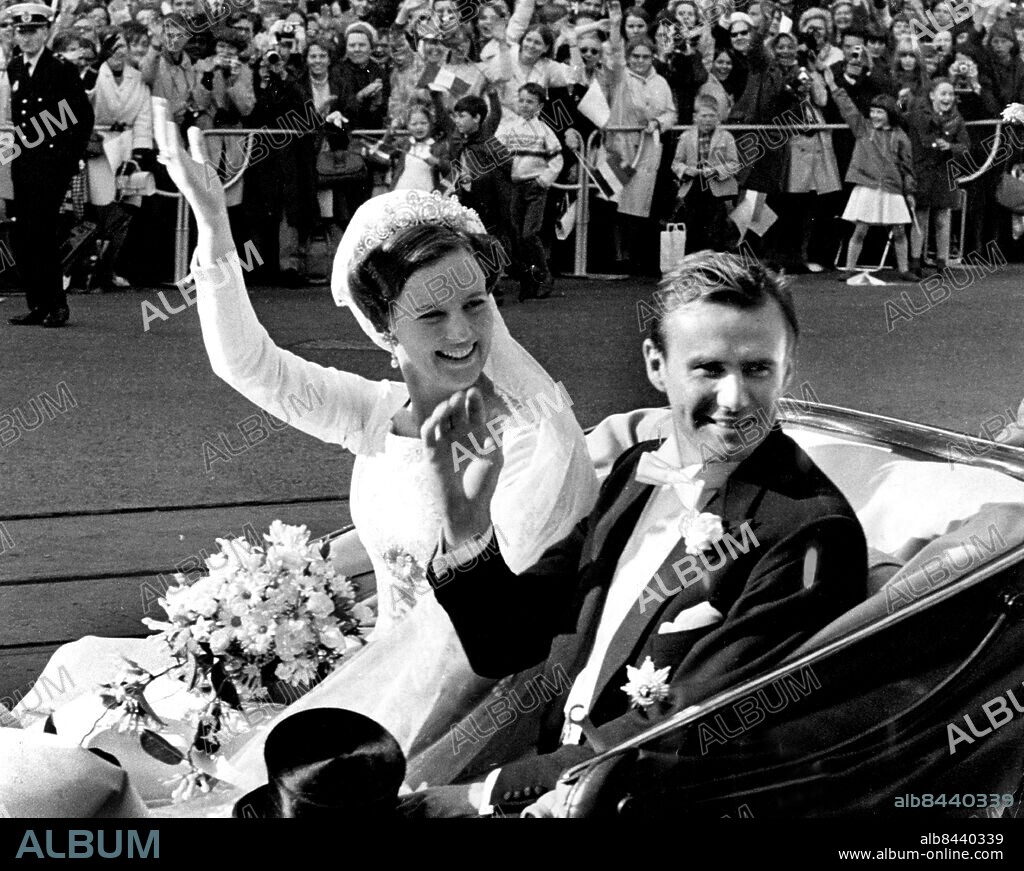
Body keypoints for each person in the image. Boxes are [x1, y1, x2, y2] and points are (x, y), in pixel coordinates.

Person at [13, 99, 598, 808]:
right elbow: (250, 365)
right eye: (432, 314)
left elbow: (505, 635)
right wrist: (214, 224)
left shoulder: (535, 441)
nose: (464, 332)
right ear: (384, 330)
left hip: (456, 701)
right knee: (104, 693)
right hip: (364, 664)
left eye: (476, 304)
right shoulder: (379, 412)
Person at [409, 249, 868, 817]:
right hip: (556, 780)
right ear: (656, 365)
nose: (734, 399)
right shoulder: (636, 472)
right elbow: (511, 642)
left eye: (757, 369)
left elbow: (699, 720)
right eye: (708, 368)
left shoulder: (809, 529)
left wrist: (486, 794)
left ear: (787, 370)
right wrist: (465, 522)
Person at [2, 3, 94, 328]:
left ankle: (56, 304)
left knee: (42, 233)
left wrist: (66, 160)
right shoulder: (15, 67)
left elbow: (81, 116)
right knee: (24, 235)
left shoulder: (60, 70)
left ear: (45, 32)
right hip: (24, 164)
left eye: (33, 31)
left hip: (51, 166)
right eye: (21, 31)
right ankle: (38, 303)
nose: (27, 38)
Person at [823, 65, 916, 281]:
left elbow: (907, 168)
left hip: (892, 188)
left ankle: (904, 270)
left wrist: (910, 192)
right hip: (867, 185)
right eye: (872, 111)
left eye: (879, 112)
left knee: (900, 231)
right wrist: (833, 86)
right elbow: (847, 107)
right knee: (860, 230)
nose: (874, 115)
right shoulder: (863, 128)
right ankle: (849, 269)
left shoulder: (901, 137)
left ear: (889, 114)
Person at [495, 81, 563, 299]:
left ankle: (544, 275)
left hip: (535, 187)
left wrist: (543, 181)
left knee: (529, 233)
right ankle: (530, 279)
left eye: (530, 102)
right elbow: (498, 155)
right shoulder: (508, 128)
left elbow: (557, 160)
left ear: (540, 106)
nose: (524, 105)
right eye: (521, 100)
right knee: (516, 235)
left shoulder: (544, 131)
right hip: (514, 187)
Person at [905, 78, 969, 278]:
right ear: (932, 95)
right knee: (920, 216)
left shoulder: (957, 119)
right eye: (943, 93)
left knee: (943, 217)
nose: (948, 98)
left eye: (950, 94)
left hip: (945, 172)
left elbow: (965, 145)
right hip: (922, 170)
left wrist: (951, 147)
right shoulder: (918, 115)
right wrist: (901, 99)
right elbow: (900, 115)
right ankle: (915, 262)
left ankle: (942, 263)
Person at [671, 93, 739, 252]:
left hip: (718, 189)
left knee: (716, 230)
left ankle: (714, 265)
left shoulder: (726, 137)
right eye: (704, 116)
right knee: (693, 228)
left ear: (718, 117)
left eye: (712, 116)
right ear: (695, 117)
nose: (708, 120)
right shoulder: (686, 137)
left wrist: (716, 171)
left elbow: (734, 164)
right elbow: (676, 163)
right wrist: (687, 170)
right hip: (693, 187)